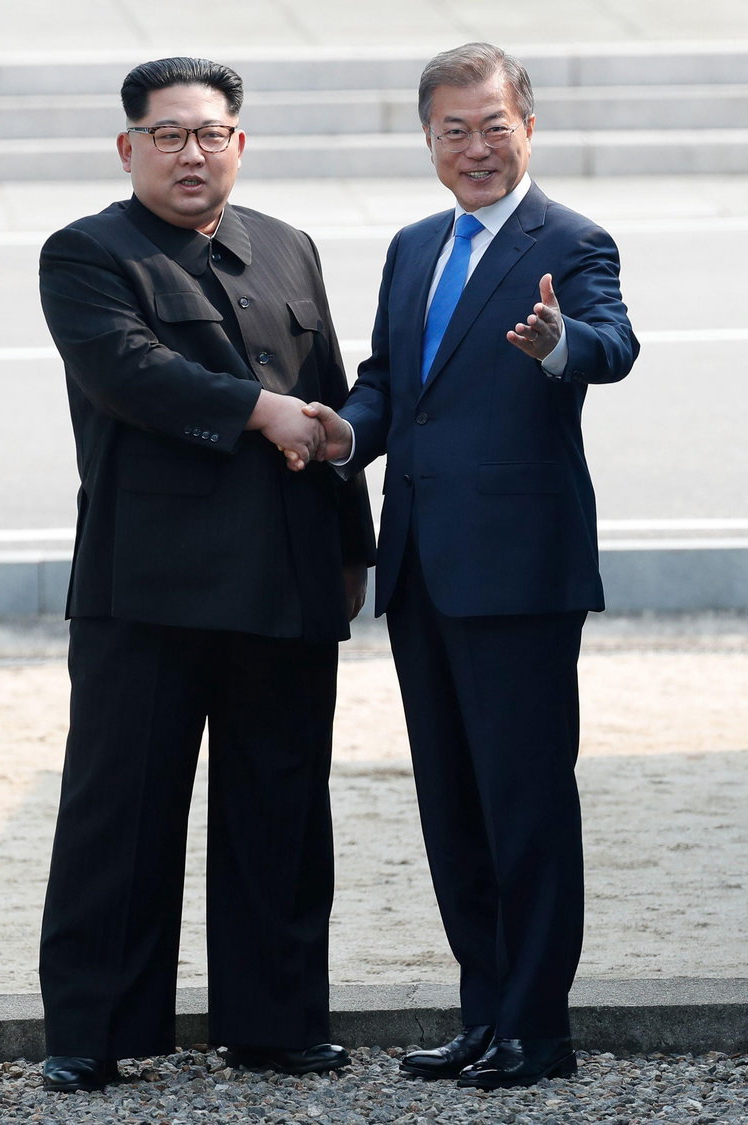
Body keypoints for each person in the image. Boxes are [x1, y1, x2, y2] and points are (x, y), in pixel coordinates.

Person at [300, 42, 639, 1090]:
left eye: (495, 125)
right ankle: (484, 1010)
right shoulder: (413, 247)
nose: (478, 147)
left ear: (527, 126)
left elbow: (611, 343)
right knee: (452, 805)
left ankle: (538, 1028)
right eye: (456, 130)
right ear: (430, 141)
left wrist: (555, 345)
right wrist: (344, 435)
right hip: (422, 571)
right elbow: (393, 385)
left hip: (520, 574)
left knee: (526, 803)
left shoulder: (570, 239)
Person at [37, 55, 375, 1093]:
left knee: (280, 806)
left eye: (211, 132)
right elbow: (132, 371)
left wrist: (346, 531)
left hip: (283, 579)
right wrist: (258, 412)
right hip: (150, 588)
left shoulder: (286, 246)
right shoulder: (88, 253)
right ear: (128, 145)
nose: (193, 152)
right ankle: (93, 1030)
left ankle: (275, 1021)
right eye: (170, 133)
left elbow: (325, 397)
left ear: (240, 141)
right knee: (121, 811)